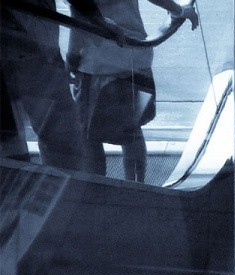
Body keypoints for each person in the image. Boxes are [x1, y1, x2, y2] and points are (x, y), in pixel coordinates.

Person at [65, 0, 197, 181]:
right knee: (132, 132)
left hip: (96, 64)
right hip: (135, 57)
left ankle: (96, 187)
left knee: (88, 134)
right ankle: (137, 185)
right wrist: (179, 11)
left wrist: (72, 57)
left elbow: (79, 13)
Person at [0, 1, 90, 169]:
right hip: (39, 55)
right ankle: (67, 189)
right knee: (62, 143)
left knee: (11, 144)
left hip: (35, 55)